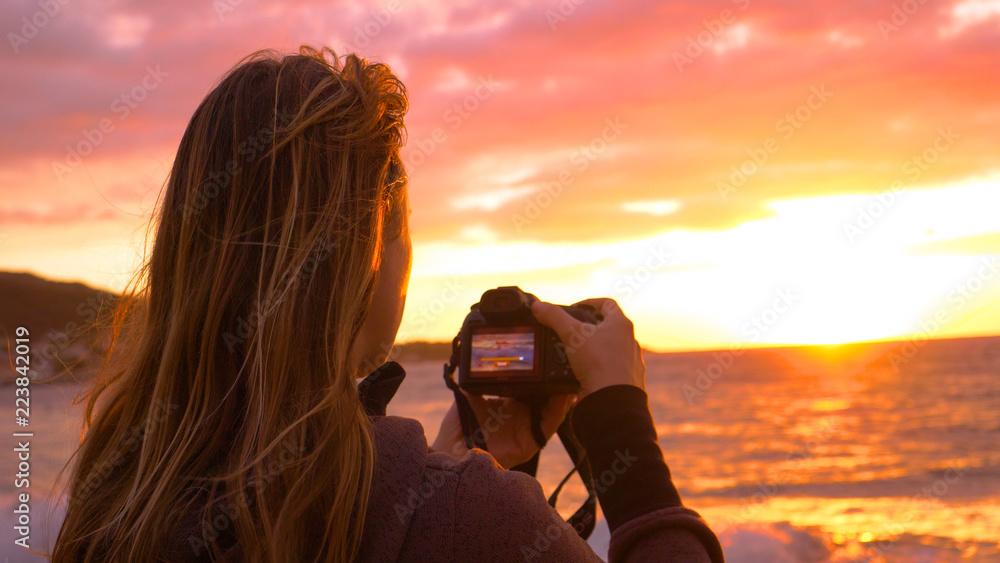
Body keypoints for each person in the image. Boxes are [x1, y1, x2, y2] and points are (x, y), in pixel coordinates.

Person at [53, 47, 724, 562]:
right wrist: (623, 438)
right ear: (374, 250)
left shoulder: (114, 495)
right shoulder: (462, 517)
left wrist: (491, 476)